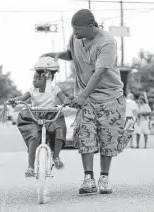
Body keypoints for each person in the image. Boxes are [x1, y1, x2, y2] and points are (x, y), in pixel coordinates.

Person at [41, 9, 133, 195]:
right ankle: (88, 179)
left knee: (108, 138)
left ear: (92, 27)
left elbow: (100, 73)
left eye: (78, 29)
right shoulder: (76, 38)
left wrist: (82, 96)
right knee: (85, 135)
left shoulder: (107, 42)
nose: (75, 33)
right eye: (73, 29)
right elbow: (71, 54)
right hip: (86, 98)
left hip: (110, 97)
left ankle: (104, 178)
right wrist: (56, 54)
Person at [8, 57, 70, 177]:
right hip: (33, 116)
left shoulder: (54, 89)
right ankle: (30, 166)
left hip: (52, 115)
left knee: (59, 130)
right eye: (34, 78)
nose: (34, 80)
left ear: (47, 79)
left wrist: (67, 101)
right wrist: (14, 100)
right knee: (34, 138)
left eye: (38, 78)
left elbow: (64, 98)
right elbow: (21, 98)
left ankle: (56, 156)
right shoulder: (32, 90)